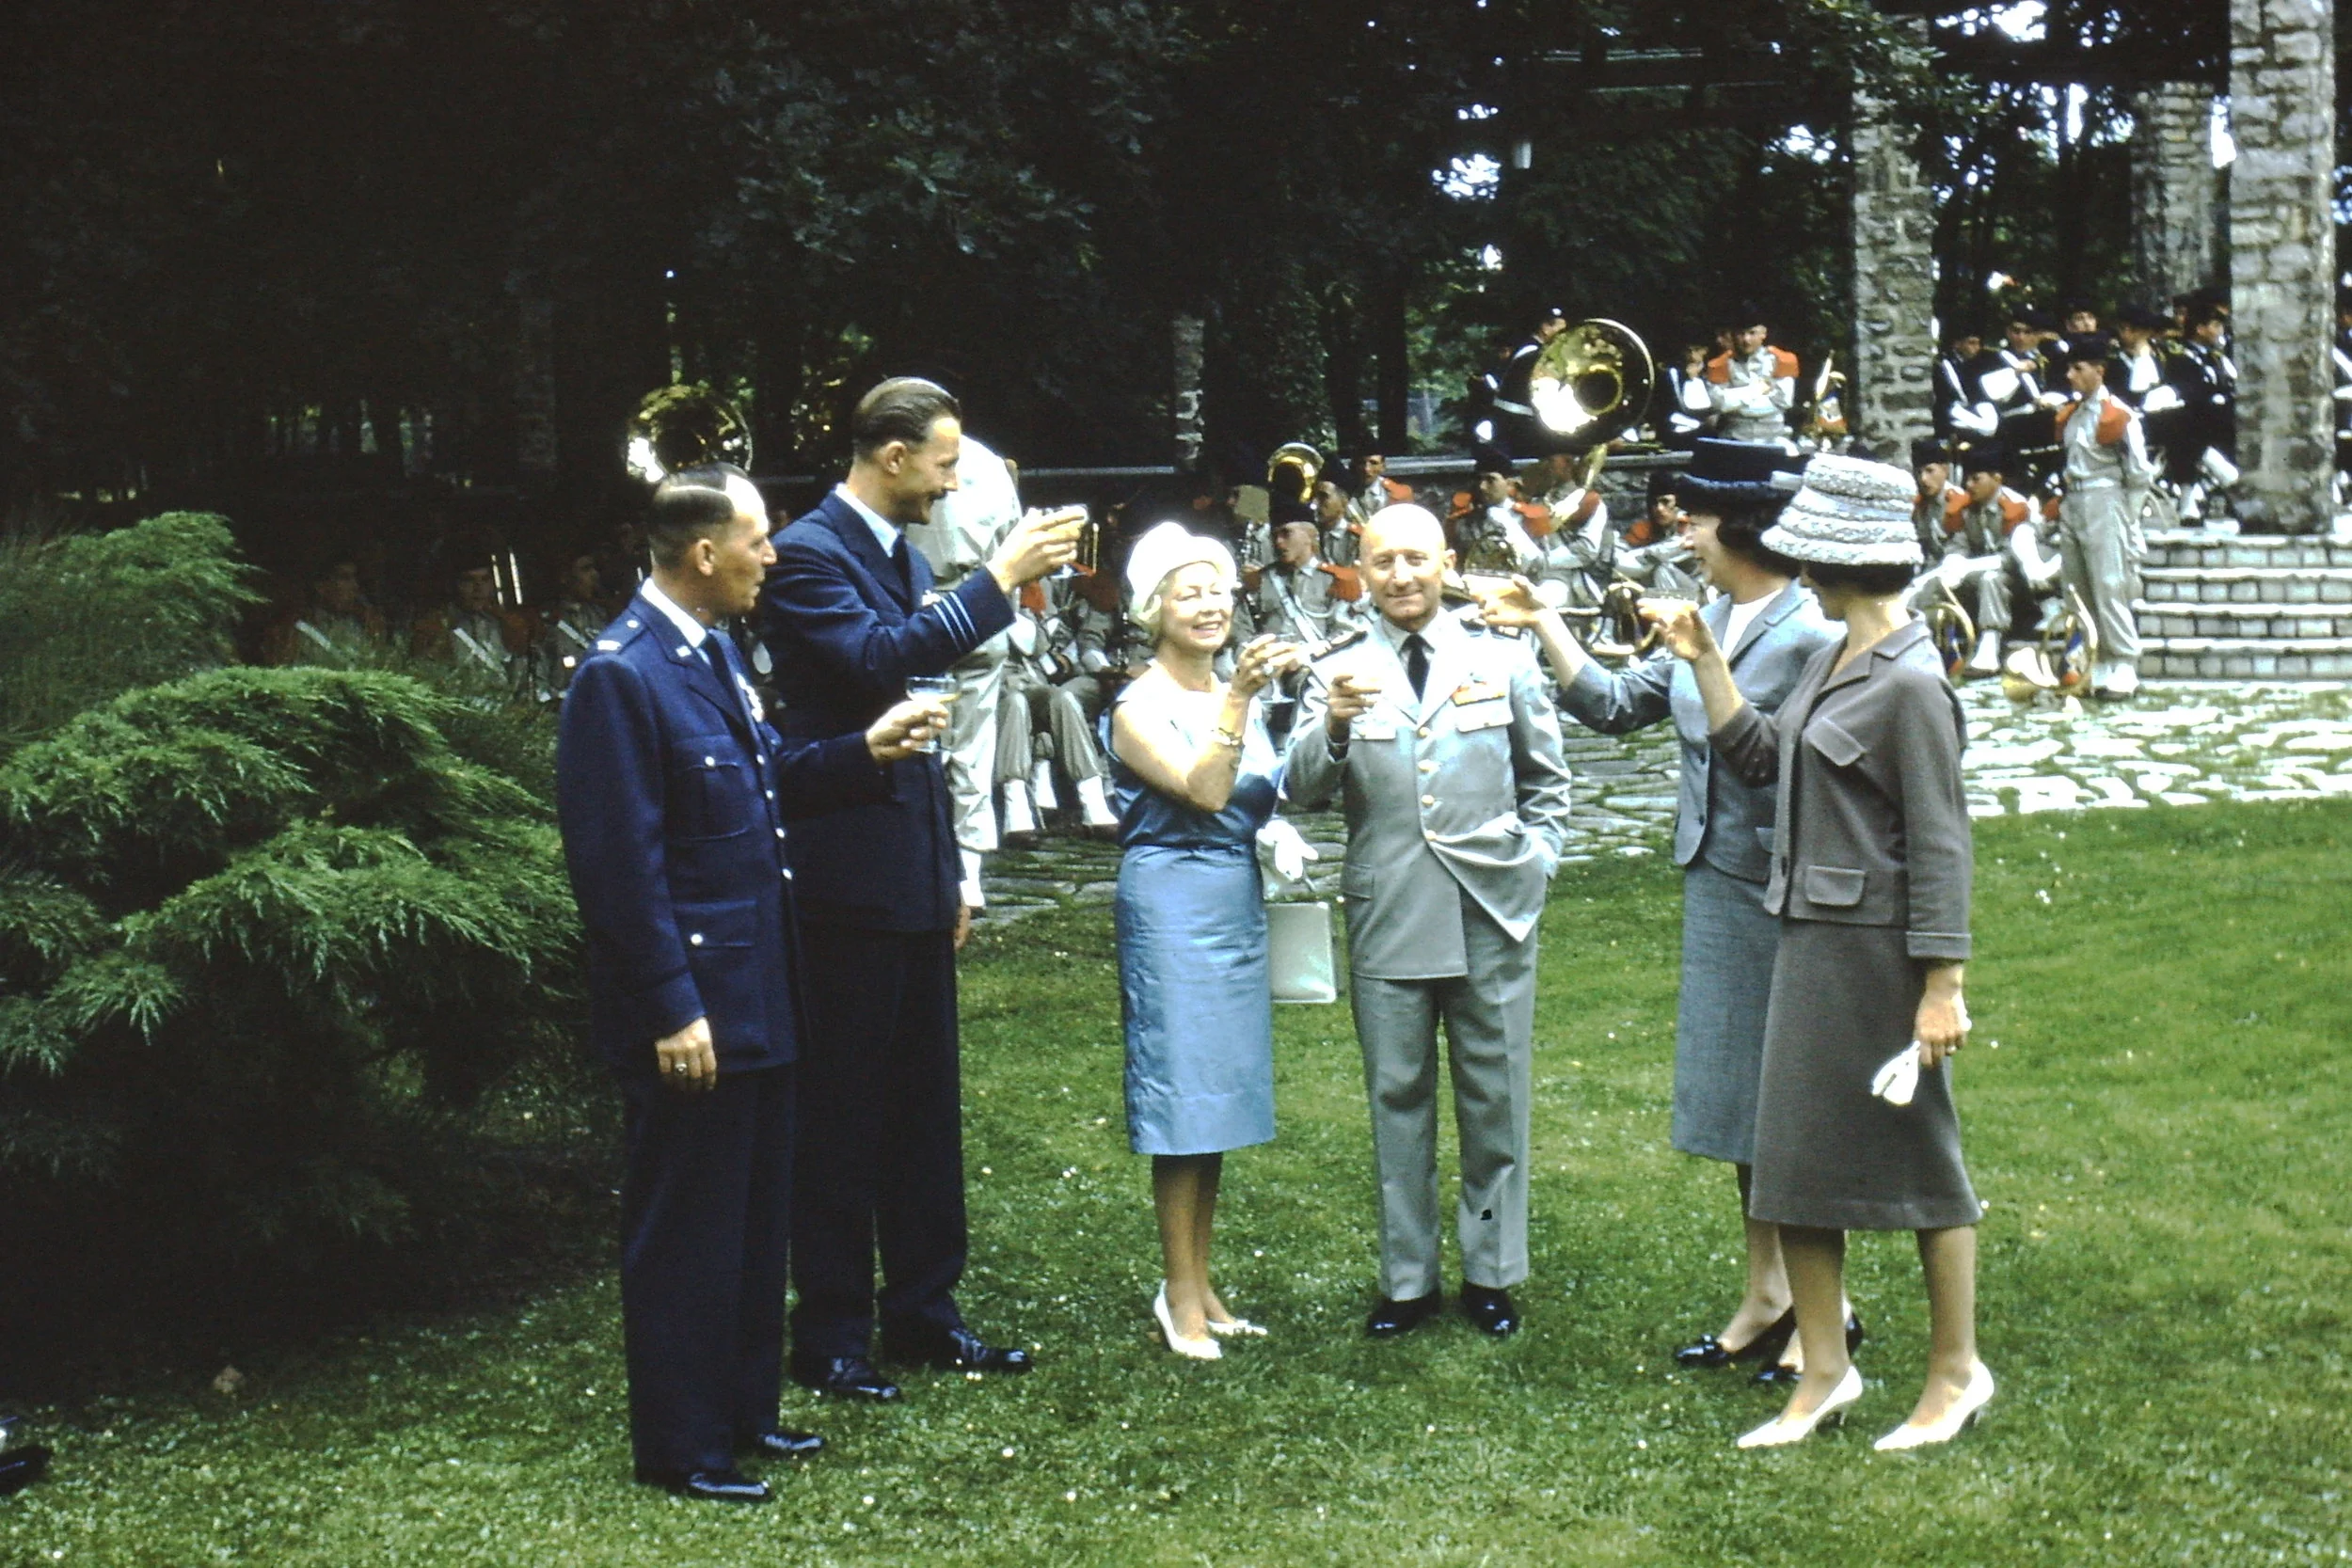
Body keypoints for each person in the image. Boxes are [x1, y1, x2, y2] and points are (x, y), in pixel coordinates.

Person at [555, 465, 947, 1502]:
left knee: (752, 1219)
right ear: (701, 554)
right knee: (688, 1228)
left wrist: (865, 747)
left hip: (764, 996)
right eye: (758, 540)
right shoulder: (623, 673)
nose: (772, 557)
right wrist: (670, 1006)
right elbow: (617, 868)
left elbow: (768, 779)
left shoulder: (715, 653)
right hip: (697, 1009)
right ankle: (683, 1445)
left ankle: (746, 1414)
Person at [1470, 438, 1838, 1383]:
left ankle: (1823, 1315)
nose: (1683, 528)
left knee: (1787, 1108)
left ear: (1744, 526)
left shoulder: (1810, 631)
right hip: (1715, 880)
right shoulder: (1712, 607)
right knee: (1735, 1106)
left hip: (1779, 889)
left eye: (1698, 516)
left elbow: (1768, 760)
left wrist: (1710, 657)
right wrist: (1543, 617)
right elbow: (1615, 702)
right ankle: (1766, 1291)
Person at [1651, 451, 1989, 1453]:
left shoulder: (1911, 683)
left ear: (1846, 561)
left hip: (1878, 956)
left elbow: (1940, 842)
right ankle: (1824, 1373)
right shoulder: (1829, 655)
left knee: (1923, 1163)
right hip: (1801, 937)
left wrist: (1942, 984)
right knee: (1790, 1161)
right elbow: (1759, 759)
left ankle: (1955, 1371)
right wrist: (1704, 658)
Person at [755, 376, 1081, 1403]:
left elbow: (931, 720)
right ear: (890, 455)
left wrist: (955, 873)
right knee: (845, 1115)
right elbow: (873, 663)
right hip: (844, 881)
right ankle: (835, 1332)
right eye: (942, 463)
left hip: (909, 872)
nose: (950, 482)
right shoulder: (810, 552)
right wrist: (999, 576)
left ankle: (926, 1312)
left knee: (922, 1113)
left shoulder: (898, 552)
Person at [1285, 503, 1574, 1340]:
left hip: (1493, 910)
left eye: (1417, 558)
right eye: (1383, 563)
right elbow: (1299, 787)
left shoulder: (1502, 653)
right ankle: (1406, 1280)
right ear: (1361, 571)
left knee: (1496, 1094)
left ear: (1446, 562)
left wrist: (1539, 861)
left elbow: (1546, 781)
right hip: (1391, 911)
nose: (1402, 576)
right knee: (1397, 1097)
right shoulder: (1336, 666)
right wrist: (1334, 721)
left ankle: (1491, 1270)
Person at [1104, 523, 1299, 1357]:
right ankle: (1176, 1293)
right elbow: (1205, 788)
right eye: (1188, 592)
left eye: (1217, 588)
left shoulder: (1229, 691)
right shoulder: (1135, 705)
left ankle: (1200, 1280)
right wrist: (1240, 699)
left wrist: (1278, 827)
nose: (1210, 604)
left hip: (1230, 898)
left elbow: (1256, 792)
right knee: (1181, 1098)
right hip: (1171, 901)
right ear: (1154, 610)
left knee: (1215, 1100)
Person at [902, 435, 1025, 906]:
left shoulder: (905, 457)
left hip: (916, 607)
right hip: (979, 601)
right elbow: (1011, 541)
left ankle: (931, 864)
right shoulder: (991, 464)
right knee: (974, 744)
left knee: (918, 737)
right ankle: (968, 872)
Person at [2053, 337, 2156, 698]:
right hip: (2075, 500)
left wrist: (2128, 519)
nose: (2070, 375)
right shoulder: (2071, 414)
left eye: (2078, 369)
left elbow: (2139, 473)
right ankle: (2094, 658)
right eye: (2069, 368)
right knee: (2076, 586)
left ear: (2099, 370)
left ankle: (2124, 661)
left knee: (2110, 583)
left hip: (2106, 497)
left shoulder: (2118, 414)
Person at [1939, 444, 2060, 675]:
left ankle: (1989, 646)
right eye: (1968, 479)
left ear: (1996, 478)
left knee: (1991, 578)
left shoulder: (2017, 507)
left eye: (1976, 479)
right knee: (1949, 578)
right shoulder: (1967, 510)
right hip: (1988, 590)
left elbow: (2014, 559)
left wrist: (1968, 566)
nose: (1969, 485)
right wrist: (1954, 559)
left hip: (2029, 588)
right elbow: (1959, 543)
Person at [266, 557, 385, 665]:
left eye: (354, 578)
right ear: (321, 587)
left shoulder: (358, 624)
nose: (354, 586)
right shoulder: (298, 627)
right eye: (344, 578)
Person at [1707, 309, 1799, 446]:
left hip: (1773, 438)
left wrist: (1736, 402)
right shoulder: (1719, 365)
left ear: (1763, 334)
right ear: (1732, 335)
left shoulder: (1782, 360)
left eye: (1752, 333)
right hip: (1733, 438)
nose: (1746, 340)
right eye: (1741, 333)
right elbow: (1720, 403)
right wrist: (1757, 390)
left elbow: (1783, 402)